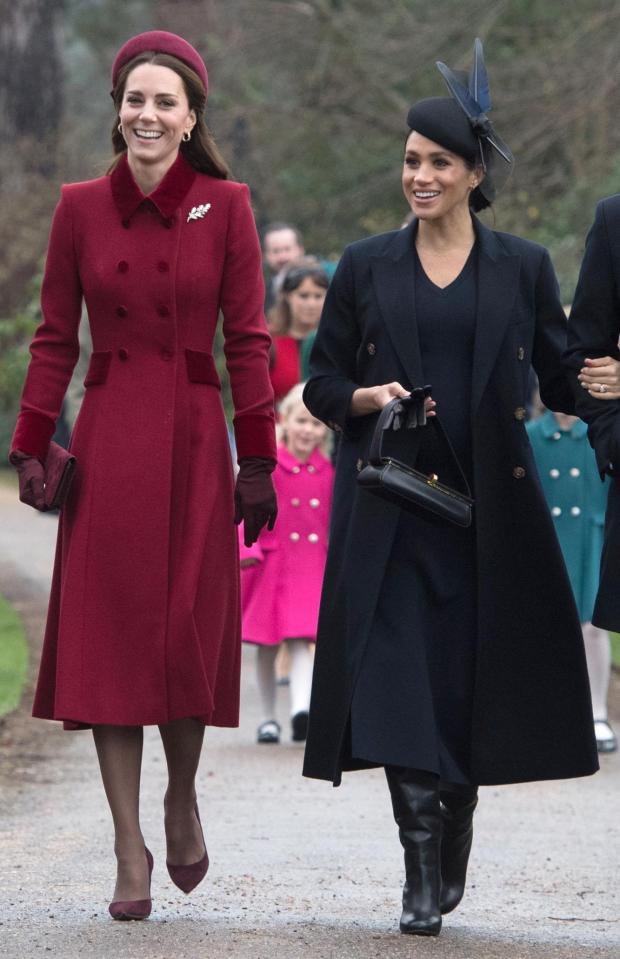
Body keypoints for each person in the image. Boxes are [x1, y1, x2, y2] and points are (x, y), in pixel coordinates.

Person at [302, 38, 598, 938]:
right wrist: (364, 395)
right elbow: (320, 382)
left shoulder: (524, 266)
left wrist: (601, 384)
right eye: (409, 161)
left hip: (487, 520)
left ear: (474, 174)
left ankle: (454, 824)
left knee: (463, 697)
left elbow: (559, 372)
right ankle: (420, 865)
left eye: (436, 163)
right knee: (399, 691)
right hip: (389, 512)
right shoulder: (363, 265)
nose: (417, 176)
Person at [8, 31, 277, 921]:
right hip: (113, 431)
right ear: (117, 111)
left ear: (191, 115)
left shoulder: (227, 206)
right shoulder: (79, 206)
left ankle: (181, 794)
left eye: (165, 101)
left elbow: (246, 343)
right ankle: (129, 842)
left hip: (200, 438)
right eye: (134, 100)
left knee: (185, 630)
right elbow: (54, 336)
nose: (148, 114)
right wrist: (32, 441)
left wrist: (261, 460)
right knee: (114, 639)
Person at [238, 383, 334, 744]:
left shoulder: (328, 472)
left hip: (311, 565)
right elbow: (249, 509)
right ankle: (267, 718)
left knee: (299, 639)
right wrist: (248, 550)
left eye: (316, 424)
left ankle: (300, 711)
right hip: (272, 565)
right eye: (301, 421)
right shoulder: (271, 467)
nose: (308, 430)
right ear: (285, 421)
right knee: (267, 645)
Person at [527, 409, 616, 753]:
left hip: (589, 540)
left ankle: (597, 711)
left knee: (593, 627)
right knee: (542, 626)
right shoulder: (533, 434)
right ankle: (543, 711)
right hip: (547, 538)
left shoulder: (598, 431)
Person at [268, 259, 329, 402]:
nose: (311, 304)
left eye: (318, 296)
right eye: (303, 296)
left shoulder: (336, 341)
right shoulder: (269, 342)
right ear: (288, 296)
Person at [262, 222, 305, 311]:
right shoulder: (260, 295)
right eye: (275, 251)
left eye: (287, 249)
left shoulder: (322, 288)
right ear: (266, 255)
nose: (282, 257)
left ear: (300, 250)